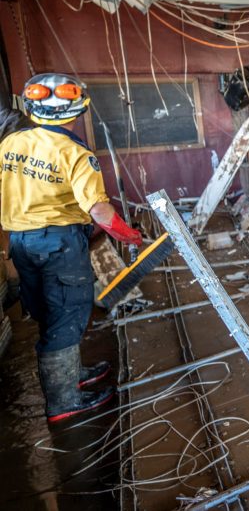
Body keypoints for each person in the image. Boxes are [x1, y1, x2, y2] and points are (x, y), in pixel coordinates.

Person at [0, 73, 143, 422]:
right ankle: (63, 403)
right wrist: (129, 236)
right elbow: (99, 211)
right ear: (78, 110)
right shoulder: (75, 153)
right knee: (66, 315)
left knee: (48, 313)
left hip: (21, 242)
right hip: (59, 244)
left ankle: (71, 374)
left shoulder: (9, 145)